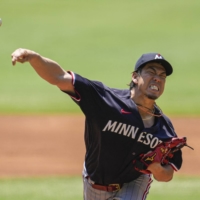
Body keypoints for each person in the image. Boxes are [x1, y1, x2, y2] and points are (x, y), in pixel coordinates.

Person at [11, 49, 182, 200]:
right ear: (135, 77)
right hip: (95, 181)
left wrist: (158, 169)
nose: (157, 78)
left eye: (162, 76)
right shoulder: (105, 101)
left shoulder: (165, 128)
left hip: (134, 181)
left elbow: (168, 174)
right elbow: (59, 77)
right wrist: (34, 58)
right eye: (151, 72)